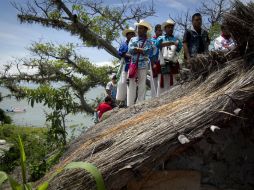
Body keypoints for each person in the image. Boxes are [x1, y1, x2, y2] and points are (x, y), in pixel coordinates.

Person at [127, 20, 153, 106]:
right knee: (132, 83)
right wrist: (141, 50)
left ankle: (140, 103)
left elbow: (148, 51)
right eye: (138, 28)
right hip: (134, 64)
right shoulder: (132, 39)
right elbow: (130, 50)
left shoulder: (149, 41)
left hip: (143, 65)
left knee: (142, 83)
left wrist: (137, 49)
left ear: (145, 30)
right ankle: (130, 104)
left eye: (141, 28)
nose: (139, 30)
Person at [156, 19, 182, 95]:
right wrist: (171, 43)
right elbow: (158, 45)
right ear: (165, 29)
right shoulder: (161, 38)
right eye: (168, 27)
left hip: (173, 63)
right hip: (162, 63)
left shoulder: (177, 39)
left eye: (172, 27)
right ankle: (159, 101)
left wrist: (174, 44)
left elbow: (179, 49)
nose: (170, 28)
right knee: (162, 83)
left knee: (174, 82)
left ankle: (173, 99)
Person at [116, 27, 136, 106]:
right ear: (127, 35)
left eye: (133, 34)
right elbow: (120, 53)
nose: (132, 35)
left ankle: (131, 101)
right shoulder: (123, 44)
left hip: (134, 65)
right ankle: (121, 100)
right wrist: (129, 56)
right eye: (130, 34)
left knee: (132, 83)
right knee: (122, 82)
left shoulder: (135, 44)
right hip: (125, 65)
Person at [150, 24, 163, 98]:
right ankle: (154, 97)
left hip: (162, 61)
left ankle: (161, 95)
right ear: (155, 31)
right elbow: (150, 53)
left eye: (161, 30)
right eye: (158, 30)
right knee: (154, 79)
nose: (160, 32)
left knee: (161, 79)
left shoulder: (164, 39)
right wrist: (152, 63)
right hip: (154, 61)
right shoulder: (152, 40)